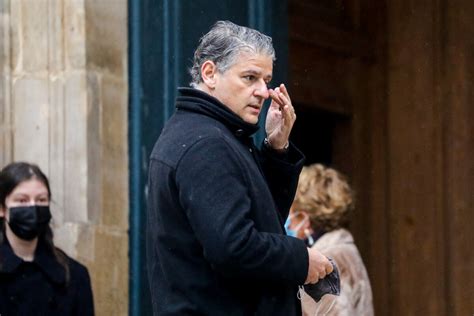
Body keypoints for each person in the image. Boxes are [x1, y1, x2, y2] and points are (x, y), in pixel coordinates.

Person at [146, 20, 333, 315]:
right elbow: (233, 247)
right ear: (210, 73)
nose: (263, 91)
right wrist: (301, 260)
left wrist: (276, 148)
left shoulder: (216, 135)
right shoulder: (205, 142)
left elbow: (261, 222)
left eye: (266, 80)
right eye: (249, 77)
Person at [0, 162, 94, 315]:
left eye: (41, 200)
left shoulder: (74, 275)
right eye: (22, 200)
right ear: (2, 208)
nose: (33, 207)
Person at [288, 163, 374, 315]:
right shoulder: (343, 248)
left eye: (290, 211)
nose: (286, 219)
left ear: (303, 217)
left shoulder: (323, 261)